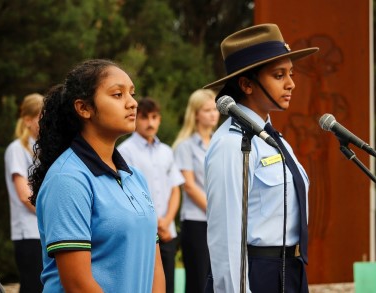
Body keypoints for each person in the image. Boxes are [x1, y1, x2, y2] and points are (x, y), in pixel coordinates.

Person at [29, 59, 165, 293]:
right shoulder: (68, 179)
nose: (132, 104)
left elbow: (154, 266)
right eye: (117, 95)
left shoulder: (135, 178)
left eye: (132, 94)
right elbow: (78, 284)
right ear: (84, 108)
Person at [203, 24, 319, 292]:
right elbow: (226, 237)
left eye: (290, 73)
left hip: (289, 270)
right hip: (256, 273)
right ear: (246, 84)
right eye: (279, 75)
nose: (291, 83)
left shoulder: (272, 139)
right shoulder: (232, 144)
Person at [117, 97, 184, 293]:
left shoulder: (166, 151)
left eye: (154, 117)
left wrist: (167, 220)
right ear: (136, 119)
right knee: (144, 284)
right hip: (142, 231)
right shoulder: (124, 152)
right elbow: (126, 193)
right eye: (145, 118)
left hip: (167, 231)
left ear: (160, 119)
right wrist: (154, 223)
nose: (150, 123)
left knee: (168, 285)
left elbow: (175, 189)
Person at [172, 89, 220, 293]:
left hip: (218, 221)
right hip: (197, 222)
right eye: (207, 110)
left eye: (215, 109)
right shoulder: (185, 146)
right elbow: (189, 186)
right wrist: (215, 211)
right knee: (199, 281)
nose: (213, 114)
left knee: (217, 279)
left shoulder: (220, 142)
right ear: (195, 113)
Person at [4, 93, 44, 293]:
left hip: (45, 232)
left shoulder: (45, 150)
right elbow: (24, 194)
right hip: (28, 233)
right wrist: (53, 215)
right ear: (28, 120)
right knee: (33, 287)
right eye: (41, 117)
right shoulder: (16, 149)